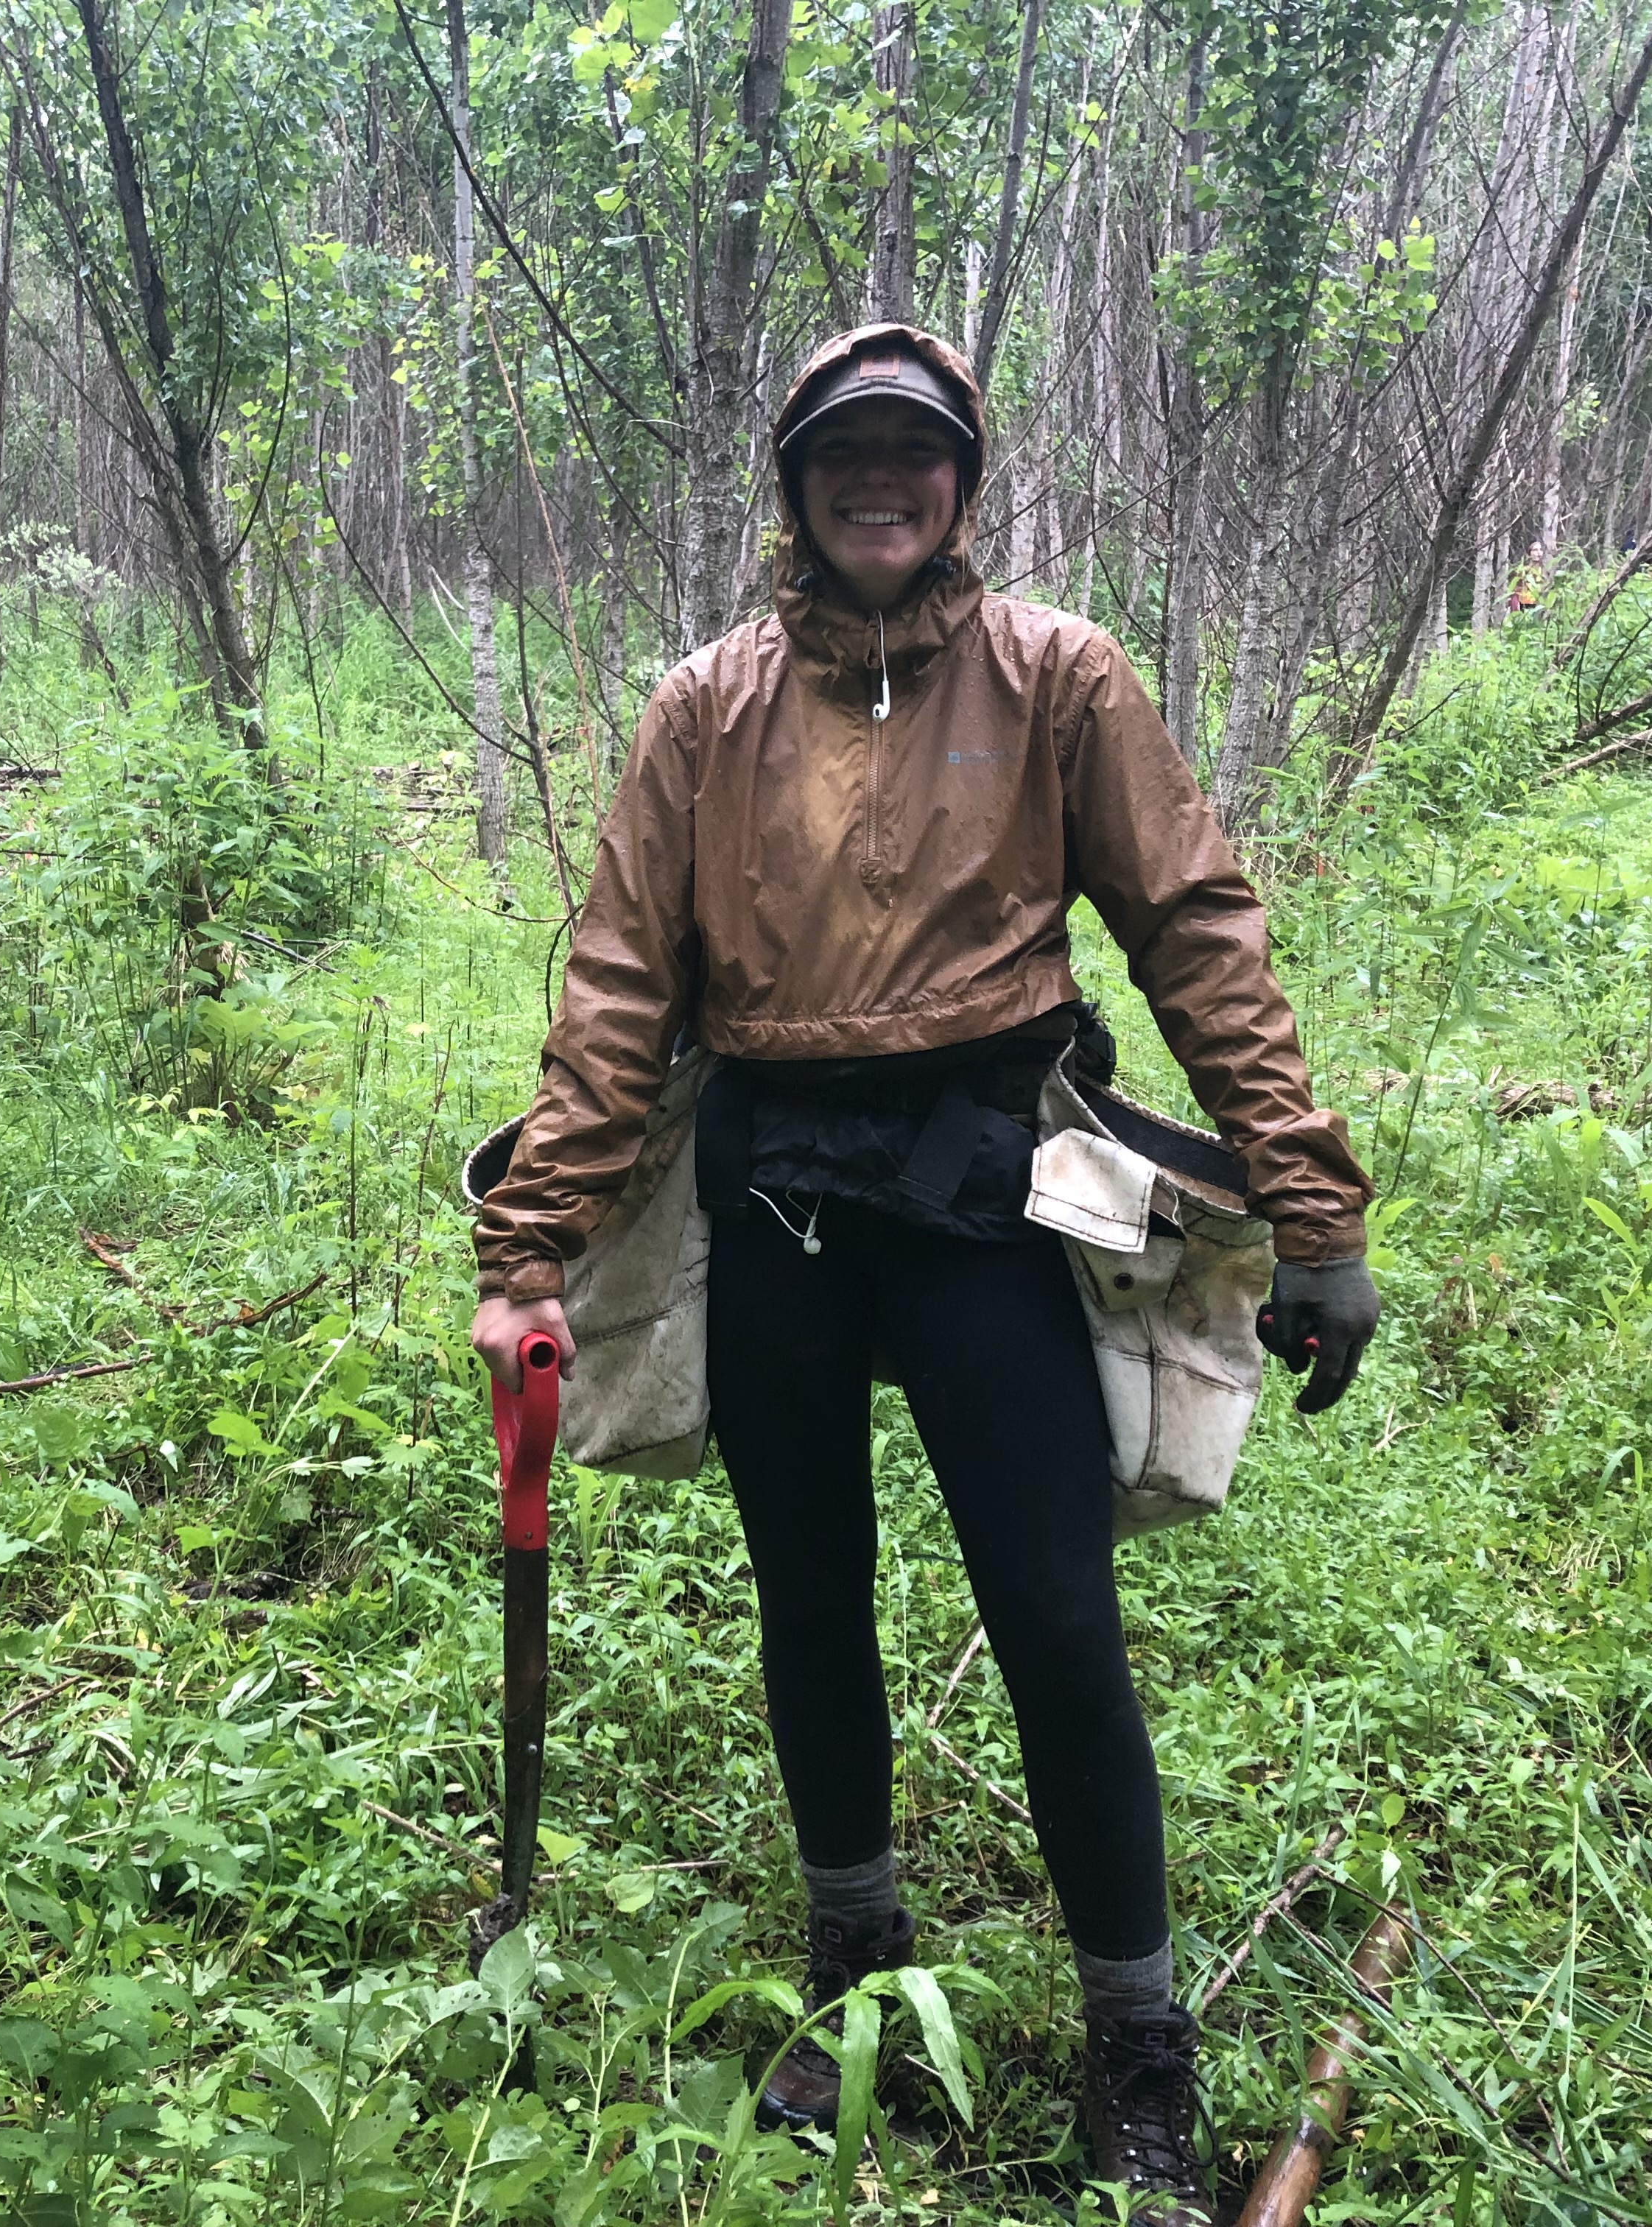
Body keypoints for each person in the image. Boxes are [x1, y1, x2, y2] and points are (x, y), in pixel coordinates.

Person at [468, 326, 1379, 2225]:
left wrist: (1312, 1209)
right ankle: (853, 1972)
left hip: (989, 1190)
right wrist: (529, 1245)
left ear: (965, 479)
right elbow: (624, 990)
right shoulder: (704, 710)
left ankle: (1140, 2042)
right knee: (813, 1599)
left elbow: (1195, 925)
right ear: (794, 488)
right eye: (842, 456)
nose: (879, 484)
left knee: (1052, 1617)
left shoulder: (1059, 679)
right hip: (783, 1197)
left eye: (916, 454)